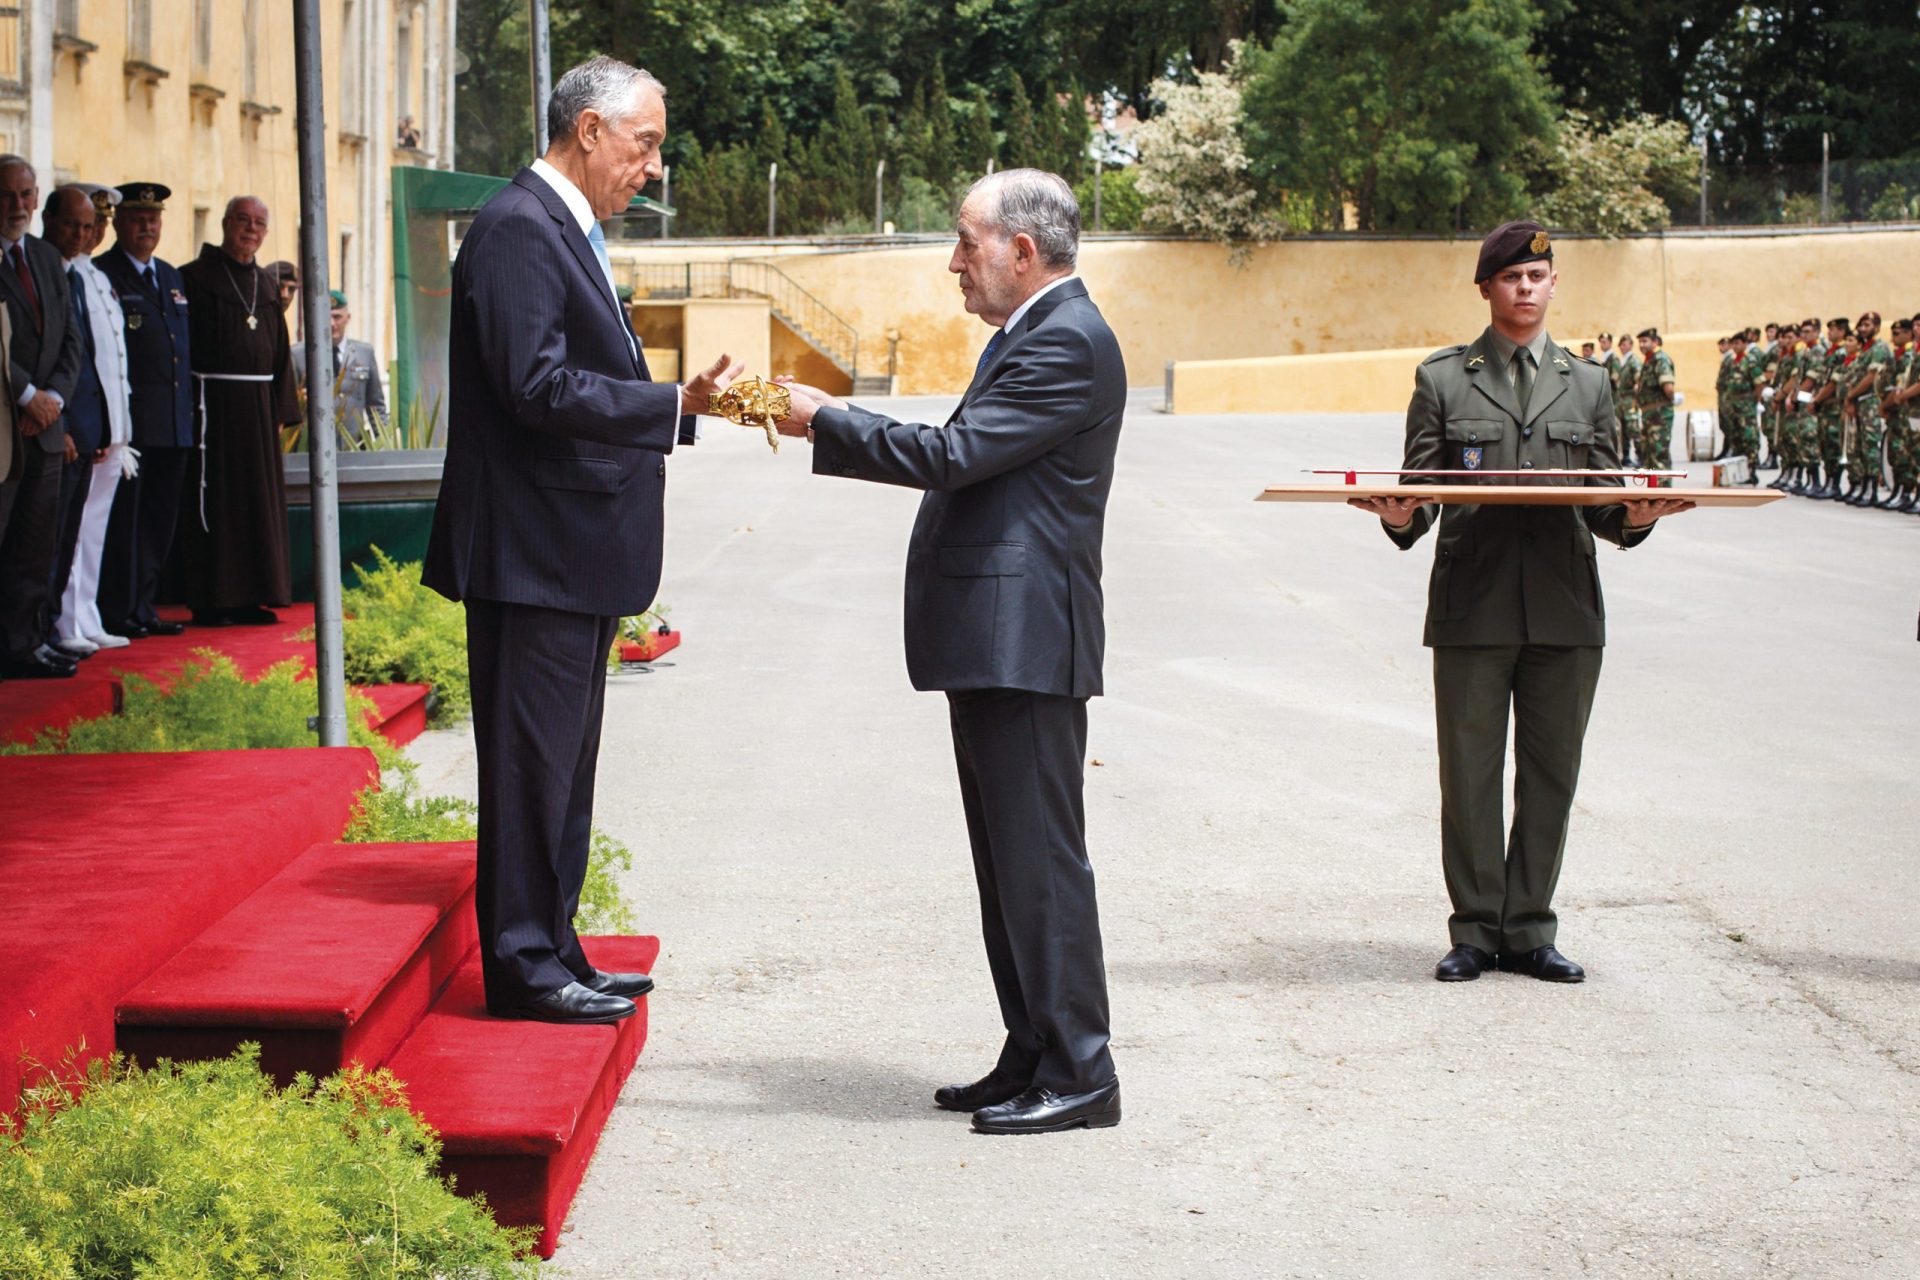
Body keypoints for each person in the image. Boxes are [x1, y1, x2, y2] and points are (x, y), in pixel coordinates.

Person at [774, 169, 1126, 1136]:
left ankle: (1082, 1070)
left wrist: (827, 419)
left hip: (1028, 644)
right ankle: (1034, 1049)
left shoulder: (1067, 341)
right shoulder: (1033, 334)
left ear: (1024, 250)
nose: (953, 262)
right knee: (1010, 863)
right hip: (997, 643)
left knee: (1042, 863)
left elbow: (954, 456)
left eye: (966, 242)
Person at [422, 56, 739, 1027]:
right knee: (529, 769)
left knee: (562, 765)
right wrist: (668, 403)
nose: (651, 166)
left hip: (568, 549)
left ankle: (554, 943)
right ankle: (523, 963)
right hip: (532, 551)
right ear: (589, 130)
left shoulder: (561, 225)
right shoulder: (522, 228)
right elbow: (535, 384)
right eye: (643, 144)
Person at [1346, 220, 1692, 985]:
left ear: (1553, 285)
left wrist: (1634, 519)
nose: (1526, 289)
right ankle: (1474, 929)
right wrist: (1401, 519)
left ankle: (1530, 929)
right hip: (1473, 604)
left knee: (1550, 775)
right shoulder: (1442, 380)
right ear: (1487, 289)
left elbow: (1603, 502)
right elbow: (1421, 493)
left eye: (1538, 278)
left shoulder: (1591, 383)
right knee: (1469, 775)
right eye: (1511, 278)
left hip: (1565, 608)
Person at [176, 196, 300, 626]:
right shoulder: (194, 278)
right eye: (243, 221)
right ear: (226, 223)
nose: (251, 229)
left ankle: (253, 597)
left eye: (259, 223)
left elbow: (281, 354)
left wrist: (282, 408)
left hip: (259, 412)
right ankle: (214, 601)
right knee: (217, 503)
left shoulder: (266, 286)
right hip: (212, 411)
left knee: (255, 506)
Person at [0, 156, 84, 680]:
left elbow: (71, 338)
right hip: (5, 426)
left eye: (27, 194)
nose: (19, 206)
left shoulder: (48, 259)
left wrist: (52, 396)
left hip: (45, 428)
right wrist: (27, 393)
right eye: (8, 195)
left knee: (35, 546)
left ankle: (26, 643)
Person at [95, 182, 192, 639]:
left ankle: (145, 605)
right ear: (119, 223)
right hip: (131, 424)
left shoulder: (170, 277)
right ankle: (119, 609)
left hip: (173, 422)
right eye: (137, 219)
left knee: (157, 522)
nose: (147, 227)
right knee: (124, 524)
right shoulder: (104, 273)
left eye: (153, 220)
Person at [52, 185, 133, 655]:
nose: (93, 233)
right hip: (82, 425)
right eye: (86, 224)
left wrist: (117, 429)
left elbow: (115, 362)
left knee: (93, 528)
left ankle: (87, 613)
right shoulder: (66, 275)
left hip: (107, 426)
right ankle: (67, 621)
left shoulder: (96, 277)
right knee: (73, 529)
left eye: (99, 225)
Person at [290, 289, 388, 442]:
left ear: (347, 318)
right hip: (312, 447)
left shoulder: (364, 353)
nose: (332, 323)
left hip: (353, 445)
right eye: (326, 317)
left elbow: (376, 406)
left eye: (337, 317)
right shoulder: (298, 355)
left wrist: (384, 443)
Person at [1841, 311, 1890, 506]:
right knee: (1858, 446)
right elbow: (1853, 378)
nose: (1863, 329)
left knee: (1870, 446)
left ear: (1877, 327)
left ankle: (1871, 489)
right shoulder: (1864, 350)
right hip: (1858, 402)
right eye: (1861, 325)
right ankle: (1861, 485)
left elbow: (1871, 378)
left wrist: (1851, 396)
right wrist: (1850, 399)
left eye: (1867, 325)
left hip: (1869, 401)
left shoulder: (1879, 348)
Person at [1633, 328, 1676, 470]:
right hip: (1649, 415)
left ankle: (1663, 491)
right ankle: (1654, 491)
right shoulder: (1649, 360)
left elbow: (1668, 388)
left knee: (1659, 455)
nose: (1641, 345)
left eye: (1645, 341)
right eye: (1640, 342)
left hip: (1659, 415)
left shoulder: (1660, 359)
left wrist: (1670, 400)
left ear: (1655, 342)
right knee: (1649, 458)